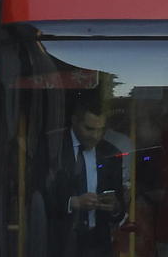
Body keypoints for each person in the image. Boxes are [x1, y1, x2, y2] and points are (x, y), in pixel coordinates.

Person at [45, 102, 128, 257]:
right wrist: (72, 203)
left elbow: (120, 211)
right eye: (89, 129)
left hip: (97, 242)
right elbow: (38, 197)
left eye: (101, 130)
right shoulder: (52, 147)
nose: (95, 136)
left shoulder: (111, 154)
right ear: (74, 121)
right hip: (59, 240)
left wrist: (115, 206)